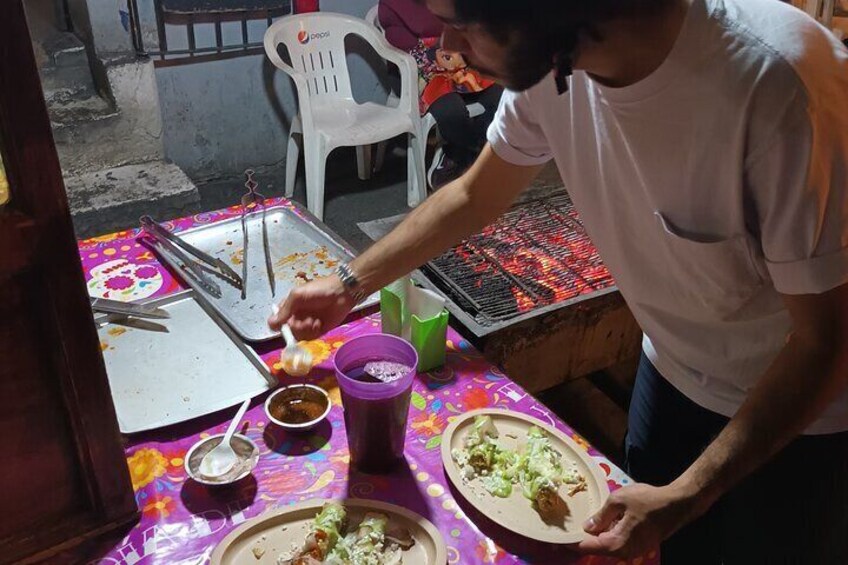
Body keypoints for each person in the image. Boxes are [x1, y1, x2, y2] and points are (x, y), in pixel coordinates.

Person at [271, 0, 848, 561]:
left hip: (797, 427)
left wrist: (689, 493)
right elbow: (474, 194)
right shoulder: (553, 66)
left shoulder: (778, 84)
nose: (446, 46)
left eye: (460, 24)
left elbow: (828, 342)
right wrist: (348, 284)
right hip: (671, 373)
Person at [378, 0, 503, 189]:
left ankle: (459, 151)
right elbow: (420, 26)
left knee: (499, 96)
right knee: (451, 110)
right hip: (413, 67)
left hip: (456, 59)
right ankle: (465, 153)